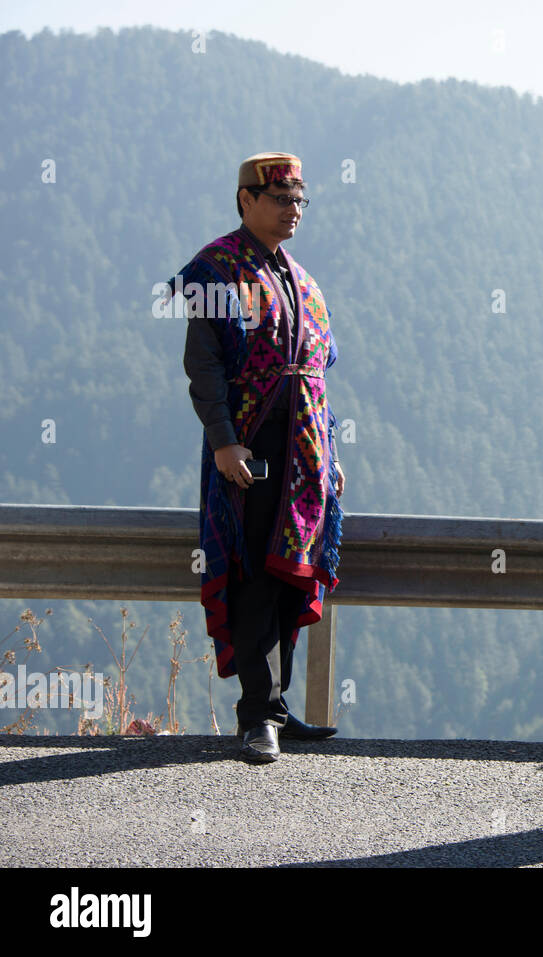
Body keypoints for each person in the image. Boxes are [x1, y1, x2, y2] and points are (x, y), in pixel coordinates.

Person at [176, 152, 344, 763]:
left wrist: (330, 452)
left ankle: (278, 705)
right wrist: (222, 440)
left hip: (304, 455)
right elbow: (205, 366)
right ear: (246, 199)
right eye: (280, 199)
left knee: (287, 576)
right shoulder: (214, 271)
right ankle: (254, 716)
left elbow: (319, 376)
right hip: (248, 449)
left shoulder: (302, 279)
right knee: (250, 577)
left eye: (300, 200)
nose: (292, 210)